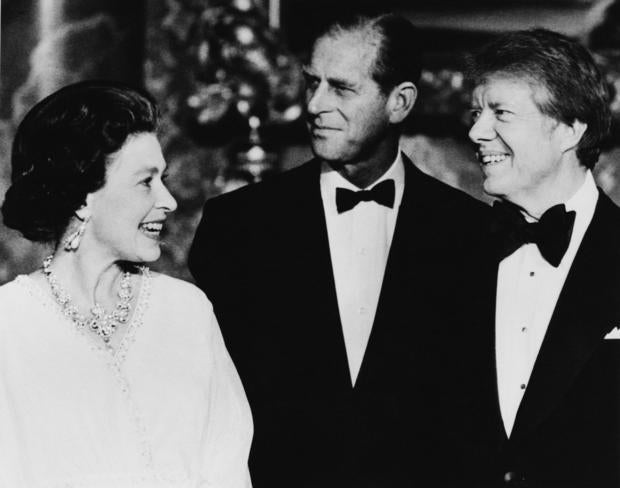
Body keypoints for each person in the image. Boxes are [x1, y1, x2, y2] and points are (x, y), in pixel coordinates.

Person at [189, 13, 489, 488]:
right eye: (312, 83)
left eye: (342, 88)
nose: (315, 104)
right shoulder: (237, 226)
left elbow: (476, 420)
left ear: (400, 102)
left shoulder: (472, 233)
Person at [0, 80, 253, 488]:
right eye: (145, 181)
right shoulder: (9, 325)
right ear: (83, 196)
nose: (168, 200)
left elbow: (228, 469)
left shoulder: (187, 313)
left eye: (163, 179)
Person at [466, 29, 620, 487]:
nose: (476, 132)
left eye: (501, 114)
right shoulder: (450, 252)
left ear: (569, 130)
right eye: (476, 112)